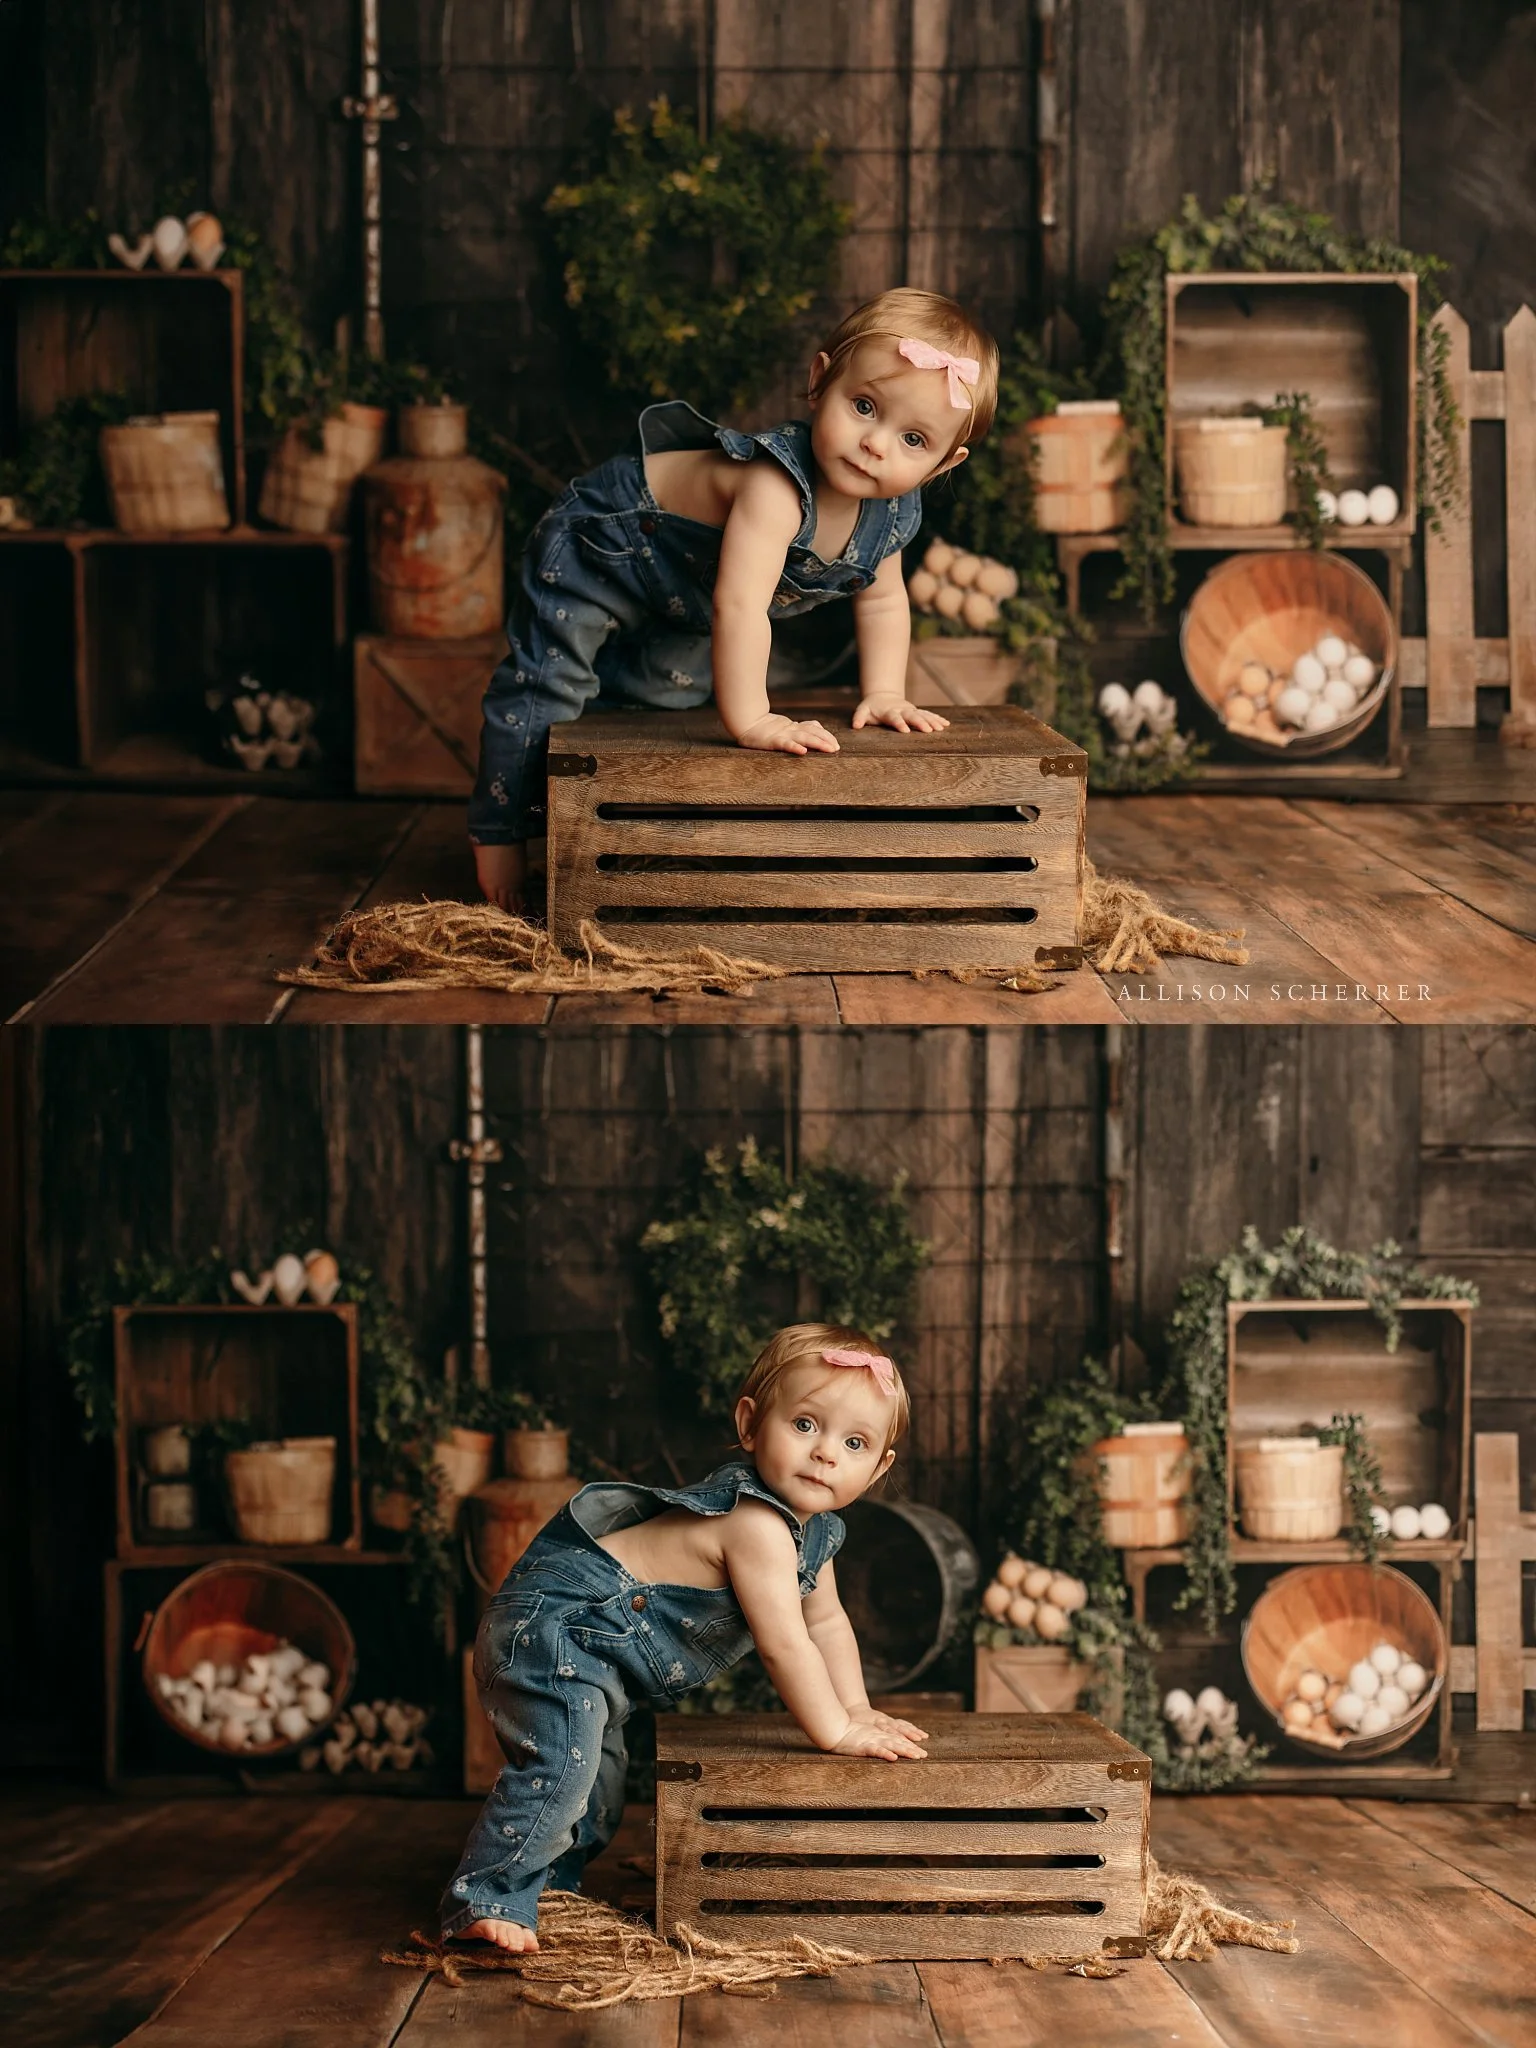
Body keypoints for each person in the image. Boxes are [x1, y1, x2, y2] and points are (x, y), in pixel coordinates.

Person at [470, 287, 1001, 909]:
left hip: (683, 587)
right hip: (608, 540)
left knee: (662, 697)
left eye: (914, 441)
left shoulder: (891, 513)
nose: (876, 444)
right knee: (551, 684)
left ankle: (600, 831)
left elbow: (883, 602)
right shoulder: (775, 488)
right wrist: (751, 719)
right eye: (864, 406)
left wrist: (883, 691)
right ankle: (501, 830)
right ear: (820, 380)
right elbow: (741, 607)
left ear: (944, 464)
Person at [441, 1322, 927, 1949]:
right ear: (750, 1424)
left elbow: (826, 1623)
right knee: (562, 1769)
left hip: (594, 1653)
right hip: (555, 1626)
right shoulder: (755, 1524)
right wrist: (834, 1730)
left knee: (597, 1788)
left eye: (854, 1442)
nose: (825, 1452)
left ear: (879, 1466)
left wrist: (858, 1707)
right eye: (805, 1425)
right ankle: (486, 1897)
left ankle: (550, 1894)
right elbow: (786, 1645)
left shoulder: (819, 1534)